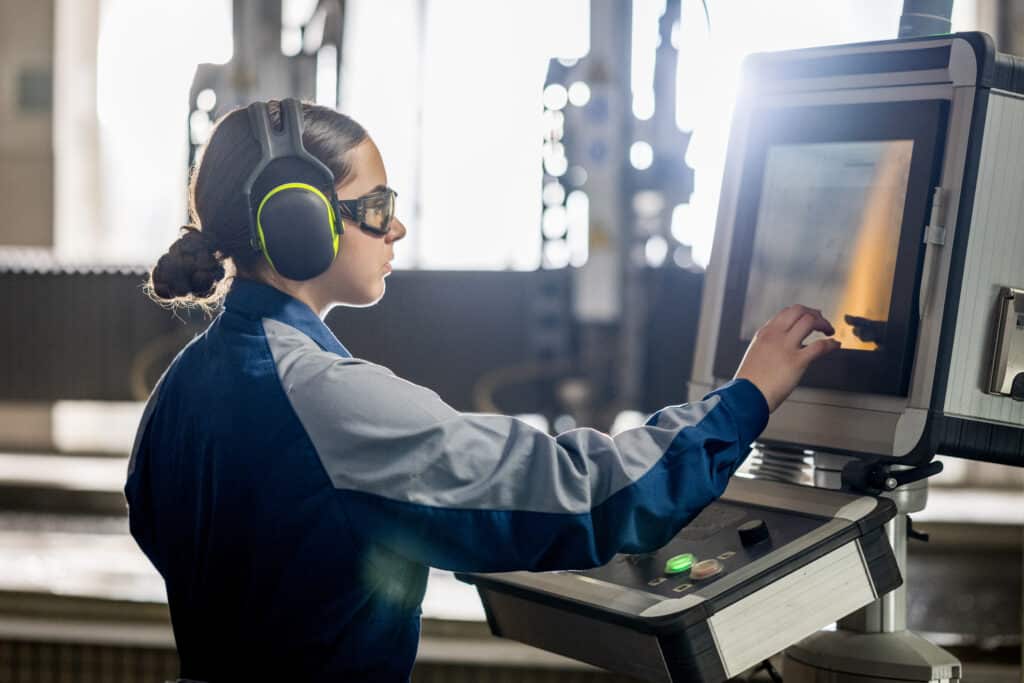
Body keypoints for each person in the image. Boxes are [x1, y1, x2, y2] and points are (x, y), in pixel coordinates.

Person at [125, 99, 839, 682]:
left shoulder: (181, 388)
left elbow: (161, 528)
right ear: (298, 222)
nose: (396, 226)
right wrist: (747, 396)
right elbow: (588, 493)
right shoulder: (325, 399)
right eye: (377, 205)